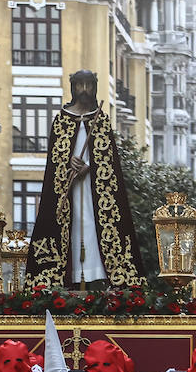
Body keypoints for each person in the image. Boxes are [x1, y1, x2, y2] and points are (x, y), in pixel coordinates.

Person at [24, 69, 145, 288]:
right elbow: (54, 160)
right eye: (80, 86)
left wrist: (89, 167)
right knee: (71, 227)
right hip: (68, 189)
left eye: (89, 86)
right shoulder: (61, 120)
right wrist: (68, 163)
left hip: (94, 191)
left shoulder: (101, 121)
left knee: (92, 226)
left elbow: (109, 160)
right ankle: (67, 278)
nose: (85, 91)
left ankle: (96, 276)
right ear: (73, 88)